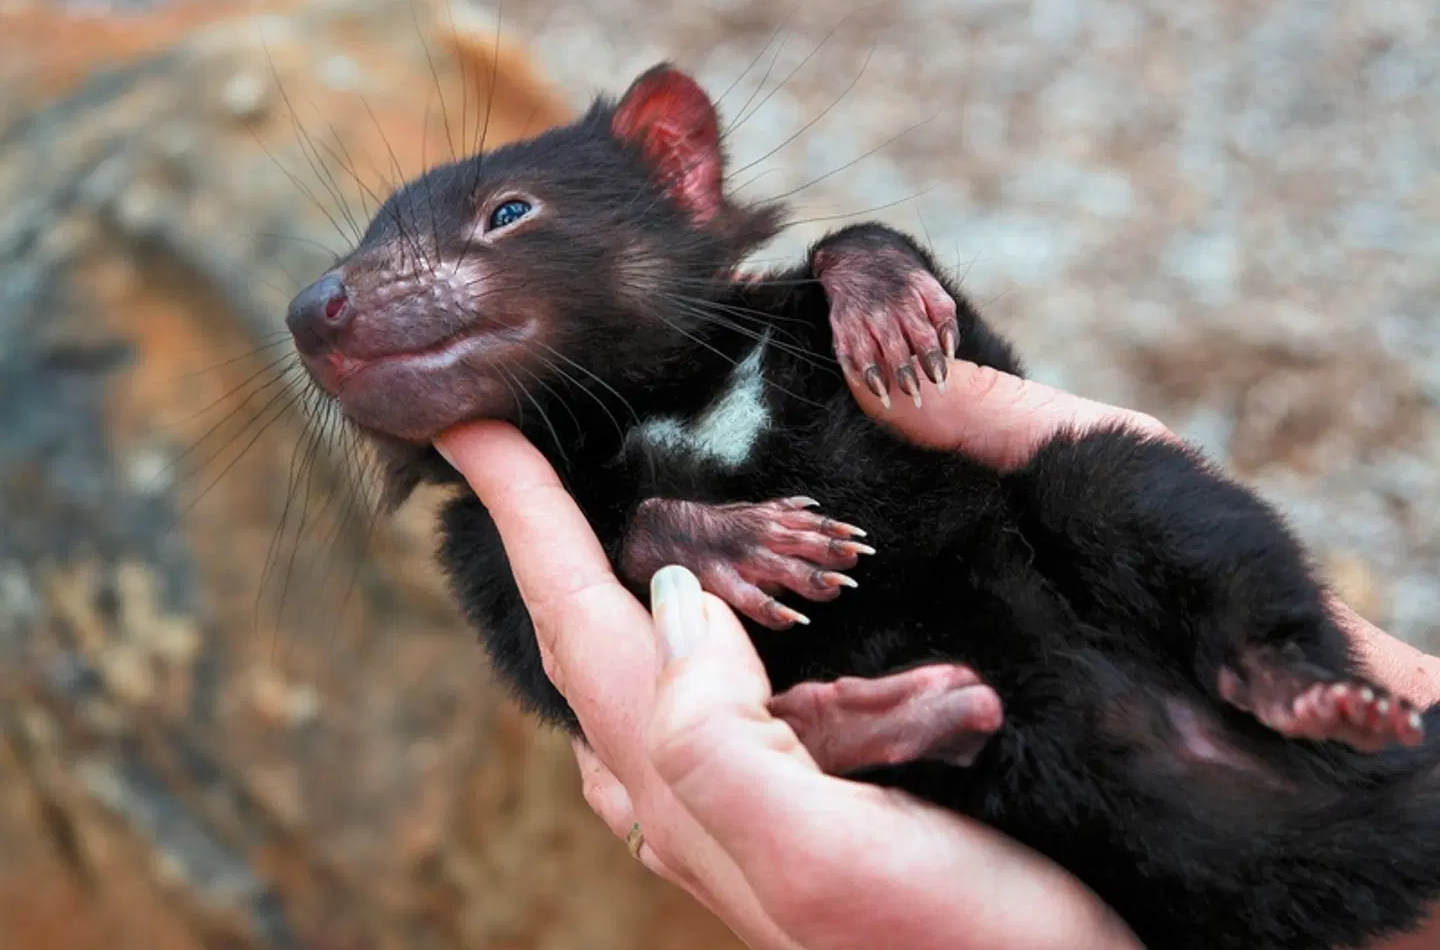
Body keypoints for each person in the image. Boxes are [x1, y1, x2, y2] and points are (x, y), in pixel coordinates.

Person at [436, 359, 1440, 950]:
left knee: (1098, 476)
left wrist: (873, 267)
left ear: (677, 168)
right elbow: (564, 670)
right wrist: (652, 538)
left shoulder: (801, 304)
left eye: (504, 216)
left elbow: (953, 364)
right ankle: (895, 736)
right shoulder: (489, 533)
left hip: (1107, 593)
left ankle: (1270, 657)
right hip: (1005, 715)